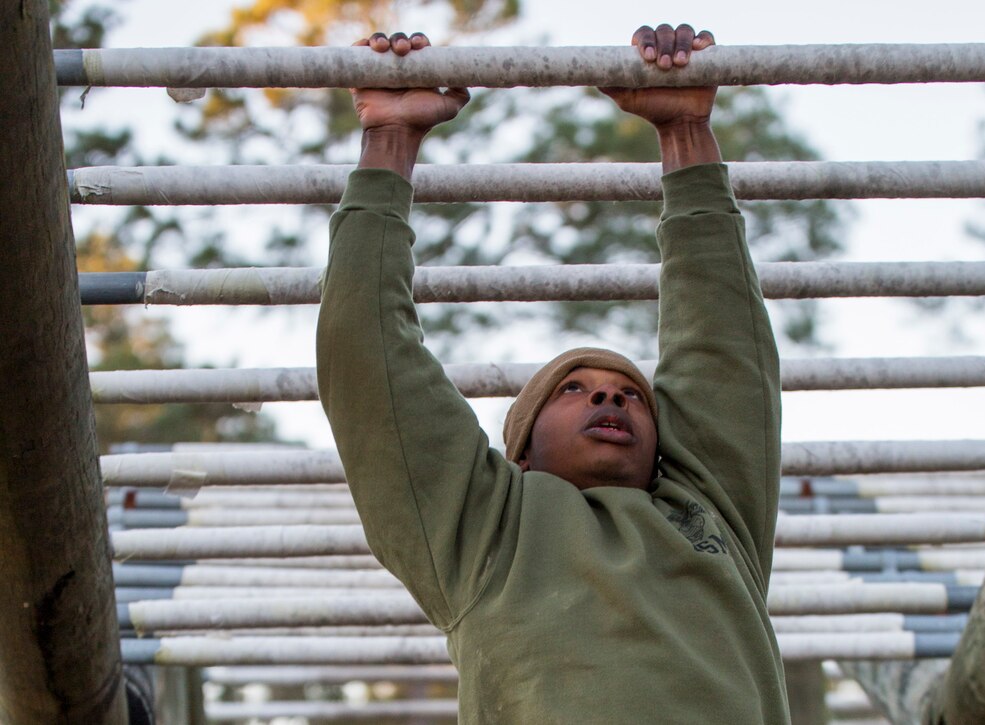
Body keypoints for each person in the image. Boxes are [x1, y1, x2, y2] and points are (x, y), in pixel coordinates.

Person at [317, 23, 788, 723]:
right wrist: (389, 141)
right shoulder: (485, 529)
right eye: (572, 389)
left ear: (667, 446)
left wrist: (688, 136)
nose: (608, 394)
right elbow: (369, 362)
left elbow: (724, 350)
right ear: (522, 447)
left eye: (632, 394)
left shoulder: (710, 510)